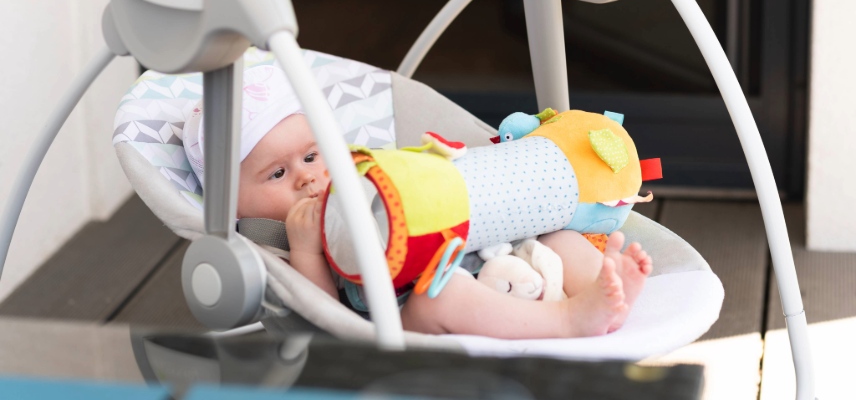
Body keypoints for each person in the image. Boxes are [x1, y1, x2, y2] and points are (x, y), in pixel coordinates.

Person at [185, 63, 652, 339]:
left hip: (485, 246)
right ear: (235, 203)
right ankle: (568, 319)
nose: (307, 177)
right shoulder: (271, 240)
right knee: (444, 296)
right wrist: (307, 248)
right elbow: (324, 317)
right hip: (409, 303)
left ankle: (602, 287)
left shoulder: (358, 178)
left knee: (561, 236)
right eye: (278, 173)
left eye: (311, 155)